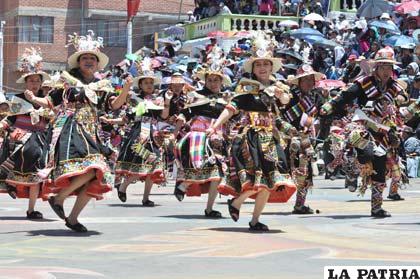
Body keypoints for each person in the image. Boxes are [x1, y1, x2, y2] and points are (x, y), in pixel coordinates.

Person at [210, 32, 296, 231]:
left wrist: (280, 93)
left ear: (271, 66)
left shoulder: (277, 85)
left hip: (271, 137)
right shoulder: (246, 87)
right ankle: (238, 203)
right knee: (256, 180)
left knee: (272, 180)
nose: (263, 68)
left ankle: (253, 218)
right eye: (258, 64)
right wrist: (215, 125)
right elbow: (231, 108)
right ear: (254, 68)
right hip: (251, 137)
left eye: (266, 64)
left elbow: (285, 102)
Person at [29, 31, 114, 232]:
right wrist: (33, 99)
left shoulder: (101, 85)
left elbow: (112, 106)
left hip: (92, 130)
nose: (88, 61)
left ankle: (72, 218)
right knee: (96, 167)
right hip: (73, 128)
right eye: (84, 57)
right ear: (78, 61)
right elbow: (51, 102)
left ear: (97, 63)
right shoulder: (66, 81)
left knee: (97, 176)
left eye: (92, 58)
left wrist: (127, 88)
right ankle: (59, 198)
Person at [321, 47, 409, 218]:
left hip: (383, 130)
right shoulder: (365, 82)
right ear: (376, 67)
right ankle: (350, 170)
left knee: (380, 165)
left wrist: (400, 99)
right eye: (383, 67)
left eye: (389, 67)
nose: (386, 71)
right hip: (362, 125)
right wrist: (330, 105)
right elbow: (345, 95)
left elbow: (404, 96)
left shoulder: (393, 85)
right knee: (362, 146)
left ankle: (377, 207)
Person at [173, 51, 231, 218]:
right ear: (205, 81)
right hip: (199, 137)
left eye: (216, 80)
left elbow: (231, 119)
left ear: (221, 81)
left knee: (218, 174)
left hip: (218, 137)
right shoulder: (196, 96)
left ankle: (209, 208)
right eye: (210, 80)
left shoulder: (225, 99)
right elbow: (185, 115)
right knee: (203, 165)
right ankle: (183, 185)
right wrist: (174, 134)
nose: (213, 83)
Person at [0, 48, 52, 220]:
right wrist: (3, 124)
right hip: (20, 138)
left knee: (38, 173)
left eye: (37, 81)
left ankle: (31, 210)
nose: (35, 84)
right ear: (26, 82)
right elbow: (12, 119)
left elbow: (51, 120)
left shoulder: (46, 100)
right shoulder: (17, 98)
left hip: (41, 139)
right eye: (31, 81)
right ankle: (10, 183)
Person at [112, 58, 170, 206]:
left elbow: (163, 116)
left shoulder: (159, 99)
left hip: (154, 134)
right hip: (139, 134)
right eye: (146, 83)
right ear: (140, 85)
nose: (149, 85)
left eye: (151, 83)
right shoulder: (134, 99)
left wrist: (167, 102)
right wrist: (112, 121)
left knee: (154, 165)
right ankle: (124, 186)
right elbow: (128, 118)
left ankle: (146, 198)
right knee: (140, 164)